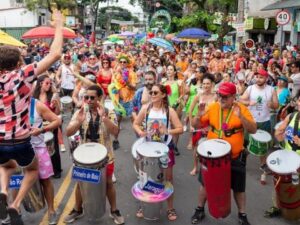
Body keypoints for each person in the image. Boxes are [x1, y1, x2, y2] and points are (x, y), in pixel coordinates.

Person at [0, 10, 63, 225]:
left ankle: (2, 190)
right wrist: (58, 26)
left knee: (6, 167)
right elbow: (54, 54)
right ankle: (15, 204)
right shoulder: (22, 75)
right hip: (20, 139)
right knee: (32, 170)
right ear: (18, 64)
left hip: (0, 140)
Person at [190, 82, 257, 225]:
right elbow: (196, 125)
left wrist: (242, 118)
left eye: (225, 97)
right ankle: (199, 209)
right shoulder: (213, 107)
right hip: (212, 157)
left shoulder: (241, 109)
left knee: (238, 188)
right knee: (205, 184)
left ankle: (242, 214)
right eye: (220, 95)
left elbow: (253, 130)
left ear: (234, 97)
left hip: (234, 157)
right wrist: (198, 115)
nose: (221, 99)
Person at [64, 85, 124, 224]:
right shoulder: (80, 111)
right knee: (80, 184)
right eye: (86, 97)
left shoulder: (108, 111)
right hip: (83, 158)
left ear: (99, 98)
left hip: (105, 156)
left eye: (92, 97)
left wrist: (104, 118)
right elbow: (68, 132)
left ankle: (114, 211)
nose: (89, 100)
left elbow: (116, 132)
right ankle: (77, 210)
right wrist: (78, 121)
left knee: (108, 183)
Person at [133, 84, 183, 221]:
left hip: (165, 149)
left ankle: (170, 208)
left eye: (155, 92)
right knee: (146, 178)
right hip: (148, 149)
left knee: (167, 179)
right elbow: (136, 124)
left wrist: (167, 131)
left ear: (163, 95)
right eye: (151, 92)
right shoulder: (145, 108)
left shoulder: (169, 111)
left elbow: (180, 128)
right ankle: (144, 205)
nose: (152, 95)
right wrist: (140, 132)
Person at [239, 69, 279, 183]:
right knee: (245, 142)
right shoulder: (251, 88)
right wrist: (248, 103)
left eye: (261, 77)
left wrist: (272, 104)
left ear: (266, 78)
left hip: (265, 121)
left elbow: (277, 105)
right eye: (257, 77)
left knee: (263, 144)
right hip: (251, 120)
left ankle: (263, 164)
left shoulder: (271, 90)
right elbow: (241, 99)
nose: (258, 79)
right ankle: (242, 161)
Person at [265, 91, 300, 217]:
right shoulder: (292, 116)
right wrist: (279, 134)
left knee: (297, 188)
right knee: (280, 183)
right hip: (288, 158)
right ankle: (277, 207)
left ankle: (296, 213)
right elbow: (280, 133)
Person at [29, 98, 61, 224]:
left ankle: (51, 210)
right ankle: (16, 212)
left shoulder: (37, 105)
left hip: (39, 149)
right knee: (17, 182)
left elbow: (57, 120)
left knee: (45, 180)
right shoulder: (8, 105)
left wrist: (41, 130)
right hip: (20, 150)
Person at [32, 75, 63, 178]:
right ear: (40, 83)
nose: (49, 85)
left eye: (50, 83)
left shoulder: (53, 96)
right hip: (38, 126)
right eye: (47, 83)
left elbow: (57, 113)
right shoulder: (34, 96)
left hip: (50, 125)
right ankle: (43, 168)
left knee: (53, 148)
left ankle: (56, 170)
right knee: (41, 149)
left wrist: (56, 106)